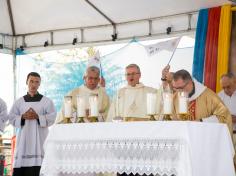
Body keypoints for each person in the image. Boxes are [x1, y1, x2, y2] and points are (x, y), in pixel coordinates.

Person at [9, 72, 56, 176]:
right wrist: (22, 117)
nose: (33, 84)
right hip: (23, 140)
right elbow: (11, 117)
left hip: (40, 139)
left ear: (39, 84)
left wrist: (38, 117)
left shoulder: (46, 101)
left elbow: (52, 117)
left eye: (37, 82)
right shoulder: (19, 102)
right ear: (27, 82)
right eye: (31, 81)